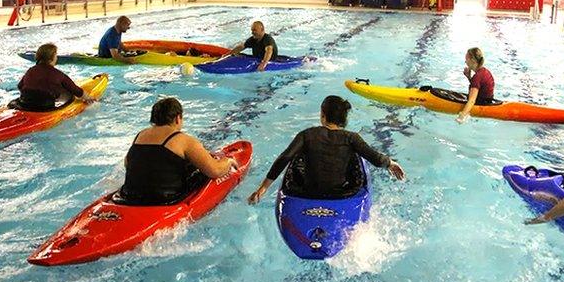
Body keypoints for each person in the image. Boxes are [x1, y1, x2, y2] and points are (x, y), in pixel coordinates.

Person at [247, 96, 405, 203]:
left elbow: (285, 158)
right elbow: (375, 158)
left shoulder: (307, 135)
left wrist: (263, 187)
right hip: (340, 194)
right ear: (344, 119)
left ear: (323, 116)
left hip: (308, 193)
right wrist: (390, 163)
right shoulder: (352, 138)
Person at [117, 98, 238, 205]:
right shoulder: (183, 140)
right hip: (165, 200)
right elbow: (215, 171)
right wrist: (228, 161)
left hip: (129, 197)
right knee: (201, 174)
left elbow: (128, 164)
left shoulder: (140, 136)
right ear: (177, 118)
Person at [17, 43, 95, 111]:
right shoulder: (57, 74)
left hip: (24, 103)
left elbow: (20, 86)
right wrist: (89, 98)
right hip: (44, 108)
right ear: (52, 57)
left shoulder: (30, 70)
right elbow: (76, 91)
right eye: (56, 55)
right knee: (70, 95)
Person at [457, 47, 495, 124]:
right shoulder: (484, 71)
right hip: (488, 100)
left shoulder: (477, 77)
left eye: (466, 59)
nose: (465, 62)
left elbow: (472, 101)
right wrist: (469, 77)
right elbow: (479, 87)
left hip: (481, 103)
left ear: (473, 61)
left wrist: (462, 116)